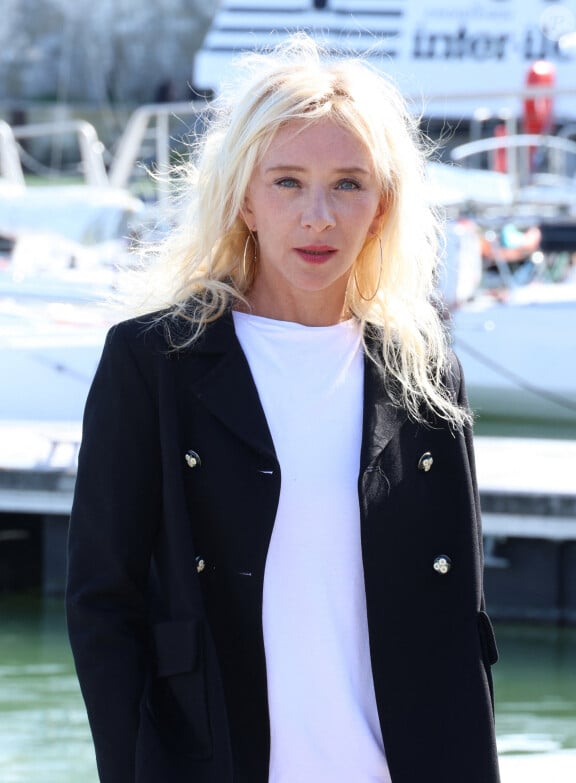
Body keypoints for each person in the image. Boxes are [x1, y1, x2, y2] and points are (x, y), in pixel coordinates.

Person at [66, 34, 501, 783]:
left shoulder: (422, 374)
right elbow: (104, 603)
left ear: (383, 204)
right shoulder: (153, 364)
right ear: (244, 196)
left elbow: (460, 619)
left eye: (348, 184)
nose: (319, 216)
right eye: (289, 182)